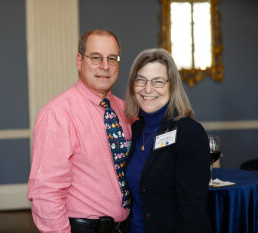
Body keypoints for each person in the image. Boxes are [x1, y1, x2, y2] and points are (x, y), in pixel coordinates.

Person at [28, 29, 133, 233]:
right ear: (79, 61)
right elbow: (46, 191)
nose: (105, 66)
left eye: (112, 59)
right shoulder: (58, 114)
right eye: (96, 58)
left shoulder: (126, 111)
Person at [124, 48, 212, 233]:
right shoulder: (137, 128)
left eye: (158, 81)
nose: (148, 89)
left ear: (172, 86)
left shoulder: (189, 133)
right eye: (141, 80)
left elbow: (193, 212)